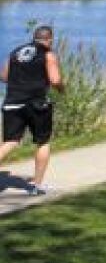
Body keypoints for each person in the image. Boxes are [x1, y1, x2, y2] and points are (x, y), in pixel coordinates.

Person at [0, 26, 64, 196]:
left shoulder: (15, 52)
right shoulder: (48, 54)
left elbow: (4, 76)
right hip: (37, 104)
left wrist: (21, 80)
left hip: (12, 102)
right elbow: (55, 79)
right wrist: (61, 88)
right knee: (43, 142)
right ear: (49, 39)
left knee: (11, 142)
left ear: (34, 37)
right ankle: (36, 186)